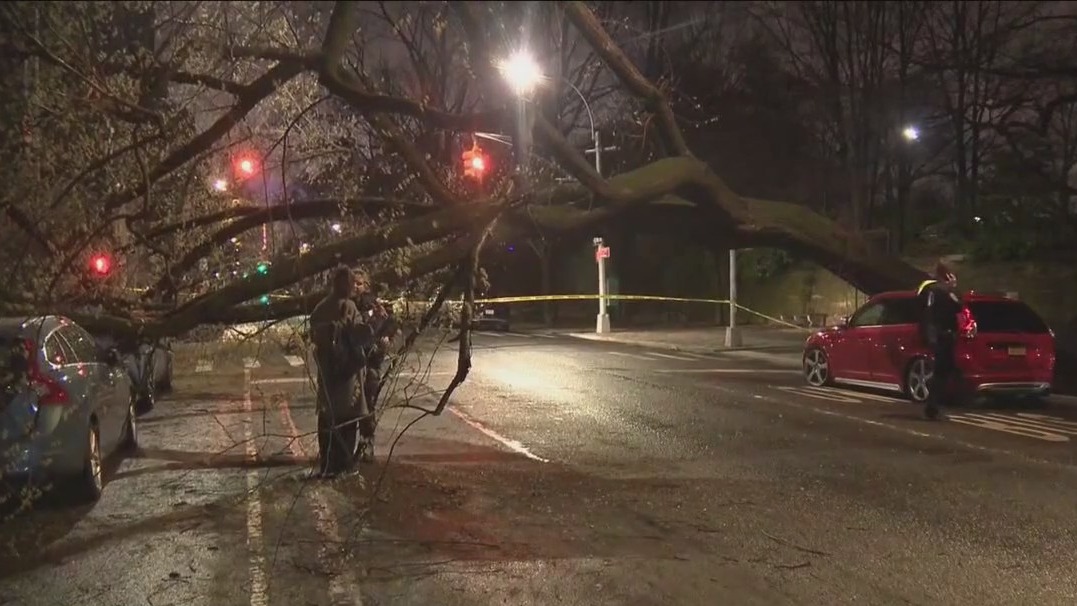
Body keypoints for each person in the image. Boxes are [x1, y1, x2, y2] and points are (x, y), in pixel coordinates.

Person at [308, 265, 376, 476]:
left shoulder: (320, 308)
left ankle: (328, 464)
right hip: (347, 376)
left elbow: (314, 337)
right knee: (347, 420)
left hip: (328, 375)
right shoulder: (349, 308)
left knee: (328, 418)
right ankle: (344, 465)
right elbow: (359, 337)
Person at [917, 262, 964, 420]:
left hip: (941, 335)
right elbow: (958, 305)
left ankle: (935, 404)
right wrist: (952, 288)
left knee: (945, 369)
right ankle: (933, 406)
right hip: (942, 335)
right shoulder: (939, 290)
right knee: (943, 370)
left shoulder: (931, 290)